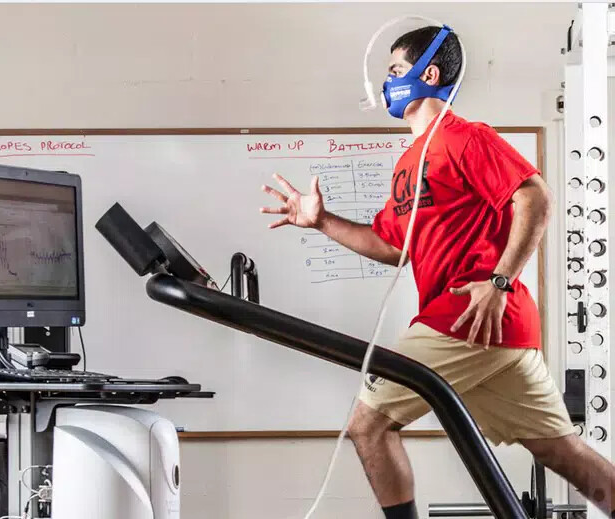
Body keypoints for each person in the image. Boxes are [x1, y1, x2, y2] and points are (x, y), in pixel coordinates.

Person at [260, 25, 615, 519]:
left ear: (427, 74)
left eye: (394, 72)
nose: (385, 84)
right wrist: (321, 221)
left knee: (369, 425)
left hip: (468, 314)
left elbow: (534, 196)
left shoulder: (464, 138)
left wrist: (500, 281)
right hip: (495, 331)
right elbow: (390, 245)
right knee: (562, 453)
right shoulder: (411, 159)